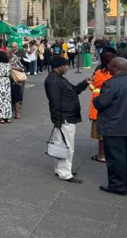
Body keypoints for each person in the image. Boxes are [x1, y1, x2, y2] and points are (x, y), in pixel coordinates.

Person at [44, 55, 90, 183]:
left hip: (66, 116)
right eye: (65, 65)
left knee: (62, 144)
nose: (67, 67)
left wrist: (84, 83)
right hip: (65, 117)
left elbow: (74, 90)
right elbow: (54, 101)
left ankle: (62, 169)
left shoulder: (59, 78)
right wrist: (57, 120)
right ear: (58, 67)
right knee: (67, 146)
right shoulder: (54, 80)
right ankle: (65, 172)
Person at [94, 57, 127, 196]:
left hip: (114, 126)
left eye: (110, 66)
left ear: (116, 68)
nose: (107, 67)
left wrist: (96, 98)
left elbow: (101, 103)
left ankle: (117, 185)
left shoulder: (111, 84)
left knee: (115, 157)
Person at [89, 52, 115, 163]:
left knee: (101, 133)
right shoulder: (116, 73)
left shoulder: (99, 73)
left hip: (99, 106)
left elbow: (91, 86)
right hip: (114, 106)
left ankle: (101, 155)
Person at [9, 47, 26, 120]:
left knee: (16, 97)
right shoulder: (3, 60)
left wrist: (12, 67)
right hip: (7, 80)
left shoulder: (15, 59)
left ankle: (17, 113)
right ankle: (9, 112)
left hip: (15, 80)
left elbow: (22, 68)